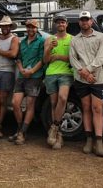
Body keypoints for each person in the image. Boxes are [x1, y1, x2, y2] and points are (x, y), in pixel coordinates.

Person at [70, 11, 103, 157]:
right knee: (86, 107)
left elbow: (102, 56)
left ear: (91, 21)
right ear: (79, 22)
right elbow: (73, 59)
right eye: (82, 20)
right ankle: (88, 139)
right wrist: (84, 73)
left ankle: (99, 142)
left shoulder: (101, 37)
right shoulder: (75, 40)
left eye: (86, 19)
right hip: (82, 79)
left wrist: (88, 70)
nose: (84, 22)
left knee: (97, 108)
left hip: (98, 79)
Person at [43, 14, 74, 149]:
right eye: (58, 23)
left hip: (66, 73)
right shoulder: (49, 39)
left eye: (63, 22)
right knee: (53, 103)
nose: (61, 24)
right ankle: (58, 134)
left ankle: (54, 127)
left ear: (66, 24)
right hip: (51, 74)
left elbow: (73, 59)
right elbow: (45, 60)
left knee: (62, 98)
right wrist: (50, 49)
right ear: (55, 25)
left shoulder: (72, 39)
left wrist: (59, 56)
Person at [11, 19, 44, 145]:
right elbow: (18, 59)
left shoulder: (41, 41)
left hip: (35, 76)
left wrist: (32, 71)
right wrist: (21, 69)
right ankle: (20, 129)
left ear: (37, 28)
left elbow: (42, 60)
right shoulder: (22, 42)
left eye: (33, 27)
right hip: (22, 75)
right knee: (15, 103)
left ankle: (22, 132)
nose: (30, 29)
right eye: (29, 27)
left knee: (30, 105)